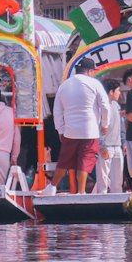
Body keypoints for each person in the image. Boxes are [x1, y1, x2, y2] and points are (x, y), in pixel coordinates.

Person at [50, 61, 111, 195]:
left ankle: (51, 187)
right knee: (85, 159)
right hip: (90, 130)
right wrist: (105, 124)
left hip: (70, 130)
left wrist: (60, 130)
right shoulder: (94, 84)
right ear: (89, 71)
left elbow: (57, 111)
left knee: (64, 160)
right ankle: (81, 191)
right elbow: (105, 106)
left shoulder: (64, 85)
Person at [95, 78, 125, 194]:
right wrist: (102, 146)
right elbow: (97, 127)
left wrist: (124, 142)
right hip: (105, 146)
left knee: (118, 181)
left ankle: (117, 204)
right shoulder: (101, 106)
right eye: (118, 90)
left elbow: (121, 126)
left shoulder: (116, 105)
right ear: (111, 92)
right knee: (103, 181)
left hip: (117, 146)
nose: (119, 93)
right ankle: (101, 205)